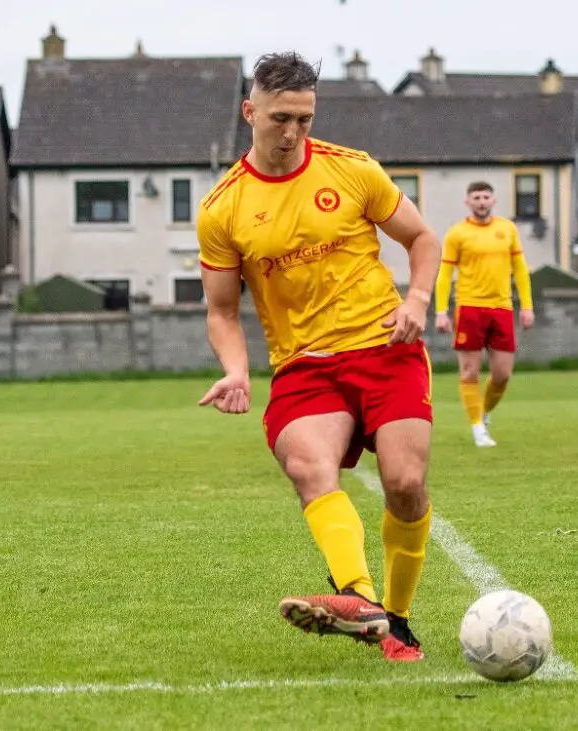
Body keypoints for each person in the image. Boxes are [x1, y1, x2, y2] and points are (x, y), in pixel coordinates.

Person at [195, 51, 441, 663]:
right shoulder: (222, 208)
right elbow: (223, 311)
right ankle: (358, 600)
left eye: (304, 118)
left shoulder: (354, 171)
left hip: (386, 349)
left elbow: (422, 239)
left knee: (406, 484)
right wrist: (234, 369)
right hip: (305, 368)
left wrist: (416, 297)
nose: (293, 132)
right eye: (280, 117)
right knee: (309, 467)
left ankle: (398, 622)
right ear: (249, 111)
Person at [435, 181, 534, 448]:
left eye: (485, 197)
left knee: (502, 374)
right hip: (469, 306)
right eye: (476, 197)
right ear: (468, 202)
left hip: (502, 307)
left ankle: (484, 413)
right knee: (469, 371)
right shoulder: (457, 233)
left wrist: (527, 306)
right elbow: (445, 274)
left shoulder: (507, 229)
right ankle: (477, 427)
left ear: (493, 201)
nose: (481, 201)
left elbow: (521, 270)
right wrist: (441, 310)